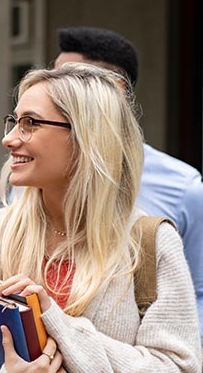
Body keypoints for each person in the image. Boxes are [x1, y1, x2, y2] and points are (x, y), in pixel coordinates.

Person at [0, 63, 201, 372]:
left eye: (30, 123)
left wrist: (56, 320)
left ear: (86, 134)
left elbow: (178, 367)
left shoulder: (151, 241)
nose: (9, 139)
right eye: (13, 121)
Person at [54, 26, 203, 343]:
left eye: (68, 81)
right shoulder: (30, 177)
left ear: (116, 90)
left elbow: (199, 290)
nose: (50, 91)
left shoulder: (184, 189)